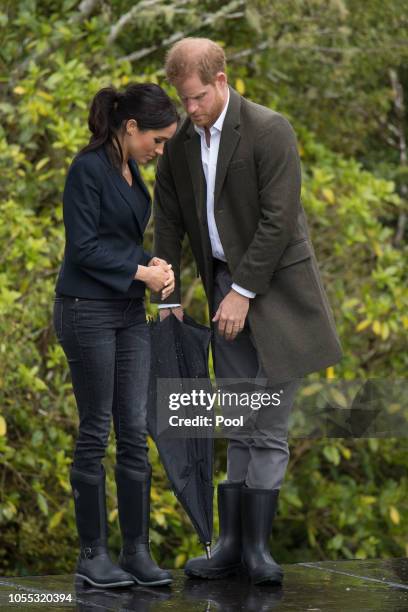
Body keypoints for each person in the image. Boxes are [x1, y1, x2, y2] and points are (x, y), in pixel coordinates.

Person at [151, 38, 343, 585]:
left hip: (277, 294)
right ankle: (230, 545)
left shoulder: (268, 129)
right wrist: (168, 294)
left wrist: (244, 291)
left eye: (195, 99)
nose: (189, 110)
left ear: (220, 80)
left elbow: (280, 219)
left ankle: (258, 549)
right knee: (237, 421)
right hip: (221, 292)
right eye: (181, 99)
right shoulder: (184, 143)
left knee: (269, 426)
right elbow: (168, 221)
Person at [53, 83, 178, 588]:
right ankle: (91, 555)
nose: (160, 150)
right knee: (95, 430)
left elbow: (121, 242)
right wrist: (139, 270)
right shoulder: (87, 170)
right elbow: (83, 248)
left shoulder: (132, 173)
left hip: (127, 315)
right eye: (158, 140)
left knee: (134, 431)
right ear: (131, 128)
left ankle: (136, 552)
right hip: (86, 313)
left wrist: (154, 266)